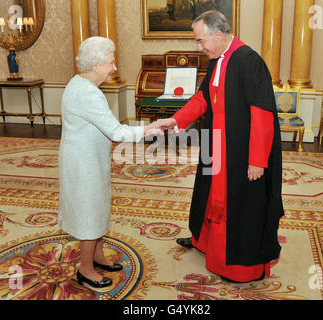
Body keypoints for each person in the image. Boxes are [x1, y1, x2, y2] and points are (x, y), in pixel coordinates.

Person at [157, 10, 284, 283]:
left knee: (239, 204)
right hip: (215, 145)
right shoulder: (217, 60)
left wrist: (257, 160)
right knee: (207, 195)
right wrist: (176, 120)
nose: (199, 48)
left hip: (241, 151)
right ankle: (204, 242)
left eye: (202, 41)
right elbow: (203, 98)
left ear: (218, 34)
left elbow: (263, 114)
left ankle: (238, 267)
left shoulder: (249, 60)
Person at [58, 36, 162, 290]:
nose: (114, 68)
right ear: (95, 65)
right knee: (89, 214)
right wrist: (149, 129)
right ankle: (85, 268)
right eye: (110, 63)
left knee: (98, 206)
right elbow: (116, 132)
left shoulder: (79, 83)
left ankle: (97, 256)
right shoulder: (87, 94)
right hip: (84, 163)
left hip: (87, 158)